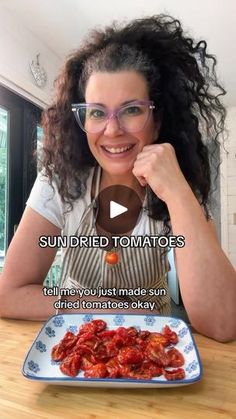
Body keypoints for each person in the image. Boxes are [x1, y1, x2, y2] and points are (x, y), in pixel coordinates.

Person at [0, 15, 235, 342]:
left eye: (131, 110)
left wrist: (179, 193)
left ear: (157, 118)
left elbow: (223, 322)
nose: (112, 130)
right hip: (76, 343)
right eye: (97, 112)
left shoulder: (177, 184)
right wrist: (111, 308)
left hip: (150, 347)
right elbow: (9, 293)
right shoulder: (60, 180)